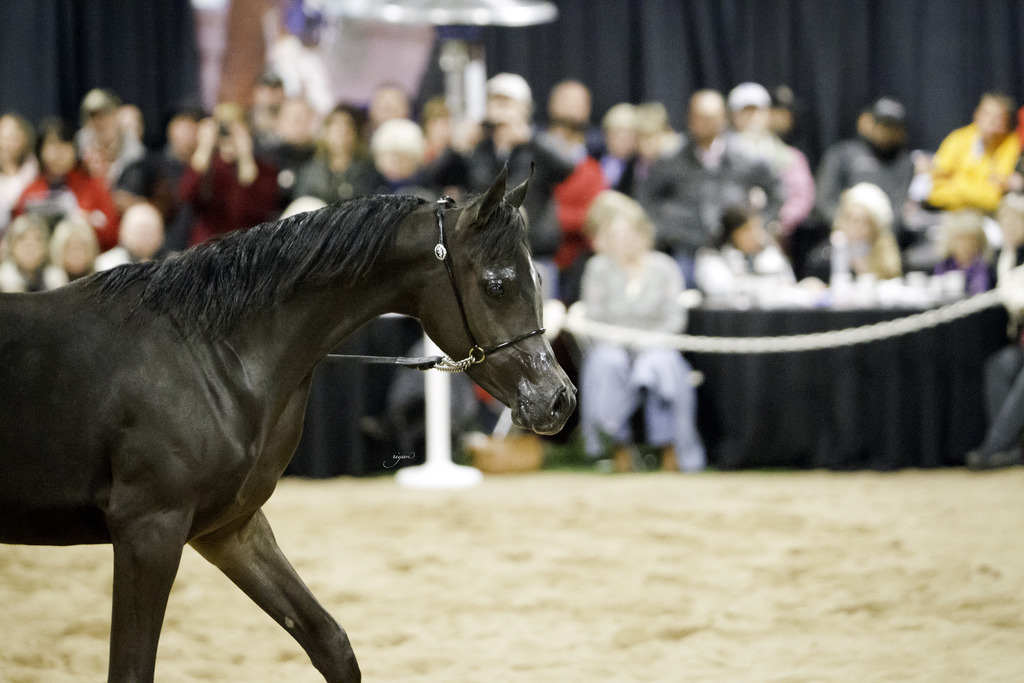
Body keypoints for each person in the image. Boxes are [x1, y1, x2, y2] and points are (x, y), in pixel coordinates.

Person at [578, 190, 706, 473]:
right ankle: (618, 447)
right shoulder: (598, 268)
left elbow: (675, 319)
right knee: (607, 362)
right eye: (615, 235)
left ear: (643, 234)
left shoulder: (665, 267)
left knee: (659, 365)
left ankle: (671, 449)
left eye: (628, 234)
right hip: (612, 345)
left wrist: (651, 340)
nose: (622, 241)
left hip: (655, 344)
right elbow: (594, 317)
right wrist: (615, 339)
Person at [635, 89, 784, 287]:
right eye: (697, 117)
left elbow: (778, 192)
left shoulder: (746, 156)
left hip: (734, 250)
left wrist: (759, 226)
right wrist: (666, 228)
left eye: (709, 118)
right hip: (685, 248)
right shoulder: (670, 158)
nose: (702, 124)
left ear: (723, 118)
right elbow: (646, 199)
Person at [463, 73, 577, 299]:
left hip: (535, 251)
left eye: (507, 103)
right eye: (495, 102)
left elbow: (568, 168)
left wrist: (529, 138)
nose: (500, 110)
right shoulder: (483, 148)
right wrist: (461, 145)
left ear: (524, 108)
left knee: (537, 324)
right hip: (490, 252)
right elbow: (472, 185)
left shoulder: (537, 143)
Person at [966, 193, 1024, 470]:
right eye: (1004, 222)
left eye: (1014, 221)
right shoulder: (1004, 257)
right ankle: (1010, 448)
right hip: (1021, 343)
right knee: (997, 367)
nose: (1008, 227)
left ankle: (993, 447)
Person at [178, 103, 280, 246]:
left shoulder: (265, 168)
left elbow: (259, 208)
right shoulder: (208, 165)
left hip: (249, 246)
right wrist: (204, 147)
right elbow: (186, 194)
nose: (228, 136)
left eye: (235, 129)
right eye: (223, 128)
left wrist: (246, 159)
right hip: (208, 247)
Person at [814, 97, 916, 236]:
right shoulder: (842, 154)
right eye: (884, 126)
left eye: (894, 127)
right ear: (869, 124)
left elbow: (899, 205)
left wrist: (875, 232)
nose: (888, 133)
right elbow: (824, 199)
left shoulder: (905, 163)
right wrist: (847, 225)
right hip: (843, 233)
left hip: (885, 236)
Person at [727, 82, 815, 242]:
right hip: (728, 236)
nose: (752, 117)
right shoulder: (719, 154)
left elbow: (800, 198)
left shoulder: (790, 157)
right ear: (733, 115)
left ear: (768, 113)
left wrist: (775, 226)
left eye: (757, 110)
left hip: (773, 237)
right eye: (745, 111)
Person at [14, 117, 120, 251]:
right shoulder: (30, 191)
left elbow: (112, 235)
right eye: (52, 144)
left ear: (75, 150)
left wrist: (85, 220)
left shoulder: (94, 186)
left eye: (64, 145)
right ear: (40, 150)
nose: (58, 152)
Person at [928, 93, 1021, 214]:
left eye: (999, 117)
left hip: (988, 216)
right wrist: (980, 186)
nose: (991, 121)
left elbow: (994, 197)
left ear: (1007, 122)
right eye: (987, 114)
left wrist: (956, 181)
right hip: (949, 213)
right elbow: (935, 192)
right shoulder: (957, 138)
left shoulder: (1010, 144)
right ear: (977, 114)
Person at [804, 182, 902, 283]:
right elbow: (814, 278)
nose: (854, 227)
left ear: (874, 227)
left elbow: (892, 282)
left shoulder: (884, 254)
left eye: (862, 222)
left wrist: (863, 270)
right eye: (849, 218)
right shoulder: (828, 253)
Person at [694, 203, 796, 301]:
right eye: (748, 229)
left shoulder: (767, 255)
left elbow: (787, 282)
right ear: (733, 232)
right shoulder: (711, 257)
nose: (755, 235)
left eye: (758, 228)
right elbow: (718, 289)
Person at [293, 103, 379, 204]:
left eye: (347, 126)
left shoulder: (369, 170)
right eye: (335, 126)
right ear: (325, 132)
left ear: (356, 133)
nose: (342, 132)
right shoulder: (310, 172)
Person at [259, 96, 318, 208]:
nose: (298, 124)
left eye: (304, 118)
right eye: (293, 118)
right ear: (279, 122)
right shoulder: (266, 159)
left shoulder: (322, 158)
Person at [0, 213, 67, 292]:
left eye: (37, 239)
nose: (30, 245)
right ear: (12, 246)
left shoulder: (56, 279)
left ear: (45, 247)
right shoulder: (3, 280)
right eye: (22, 238)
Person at [367, 117, 432, 199]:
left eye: (402, 157)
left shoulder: (426, 190)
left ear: (415, 160)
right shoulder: (368, 187)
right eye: (389, 156)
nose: (395, 162)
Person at [932, 210, 993, 296]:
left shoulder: (982, 266)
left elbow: (980, 291)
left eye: (969, 239)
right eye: (959, 239)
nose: (964, 245)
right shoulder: (945, 264)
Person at [95, 201, 167, 271]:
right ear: (122, 233)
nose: (144, 238)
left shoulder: (172, 267)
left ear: (161, 235)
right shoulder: (104, 265)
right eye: (138, 231)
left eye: (150, 231)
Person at [0, 112, 38, 235]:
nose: (7, 141)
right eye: (4, 134)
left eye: (13, 135)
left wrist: (9, 167)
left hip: (24, 230)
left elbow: (18, 203)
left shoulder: (32, 167)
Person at [597, 103, 639, 194]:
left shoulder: (638, 167)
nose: (621, 139)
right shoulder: (594, 158)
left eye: (627, 134)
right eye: (615, 133)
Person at [49, 215, 100, 282]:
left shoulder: (103, 280)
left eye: (80, 247)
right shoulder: (50, 283)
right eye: (70, 247)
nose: (76, 254)